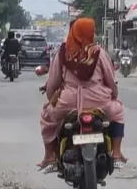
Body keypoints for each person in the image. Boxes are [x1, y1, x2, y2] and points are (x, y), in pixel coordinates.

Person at [38, 17, 127, 170]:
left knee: (47, 115)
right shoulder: (99, 53)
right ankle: (117, 153)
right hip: (99, 101)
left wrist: (52, 99)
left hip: (68, 103)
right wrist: (113, 95)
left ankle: (50, 156)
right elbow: (111, 80)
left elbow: (52, 84)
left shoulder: (63, 53)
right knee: (118, 112)